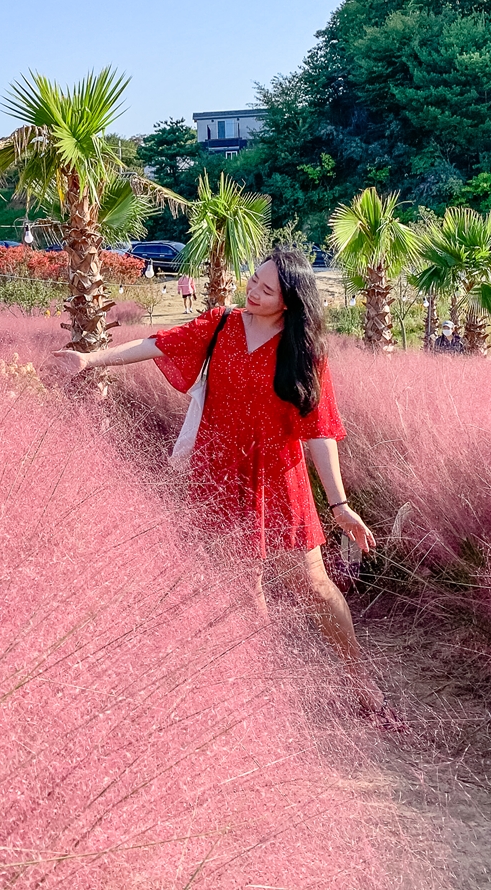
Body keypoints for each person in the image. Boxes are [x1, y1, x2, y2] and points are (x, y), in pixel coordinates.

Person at [53, 246, 384, 712]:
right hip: (219, 471)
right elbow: (158, 344)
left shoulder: (304, 349)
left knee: (311, 583)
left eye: (267, 289)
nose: (252, 291)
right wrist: (91, 361)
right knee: (242, 583)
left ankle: (360, 684)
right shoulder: (222, 323)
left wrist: (340, 504)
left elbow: (319, 430)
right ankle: (267, 691)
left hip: (277, 476)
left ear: (289, 300)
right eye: (253, 280)